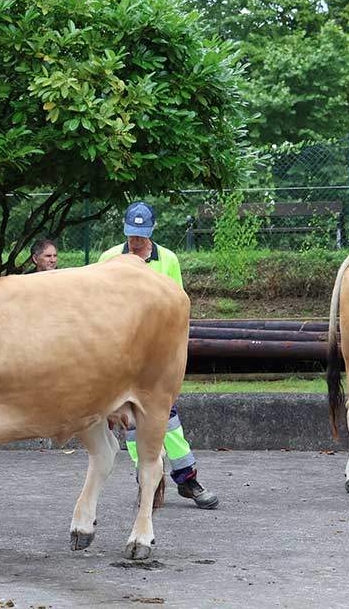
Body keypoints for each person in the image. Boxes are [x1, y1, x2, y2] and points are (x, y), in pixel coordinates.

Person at [98, 201, 219, 510]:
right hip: (121, 355)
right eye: (131, 235)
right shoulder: (109, 259)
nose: (136, 242)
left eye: (141, 235)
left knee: (167, 418)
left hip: (156, 356)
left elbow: (177, 308)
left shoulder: (168, 260)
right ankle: (150, 479)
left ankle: (186, 477)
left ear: (151, 232)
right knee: (132, 420)